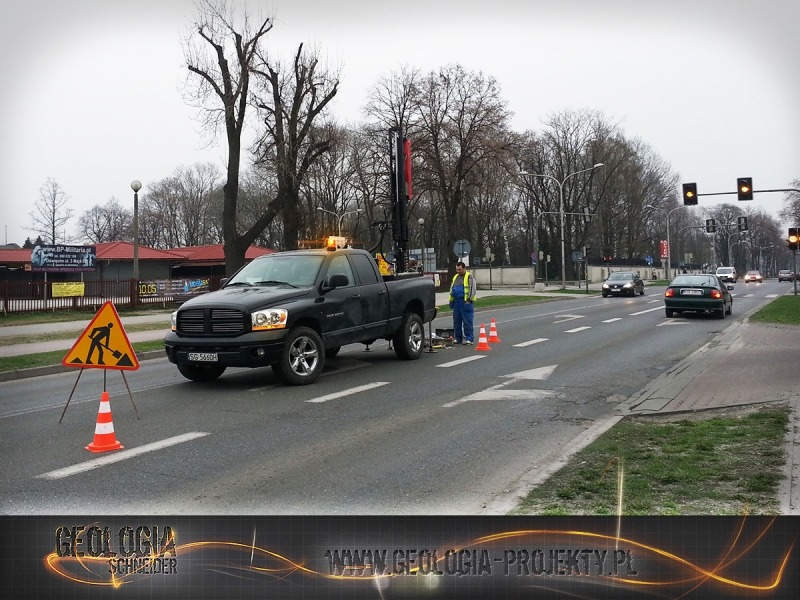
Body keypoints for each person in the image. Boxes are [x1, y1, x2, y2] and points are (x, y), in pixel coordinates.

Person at [449, 261, 477, 345]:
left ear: (464, 268)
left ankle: (469, 338)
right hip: (456, 302)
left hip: (465, 302)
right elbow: (452, 289)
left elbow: (472, 289)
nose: (458, 271)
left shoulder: (469, 276)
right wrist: (451, 300)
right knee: (457, 322)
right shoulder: (455, 277)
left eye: (460, 269)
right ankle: (458, 338)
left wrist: (469, 300)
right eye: (457, 269)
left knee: (467, 322)